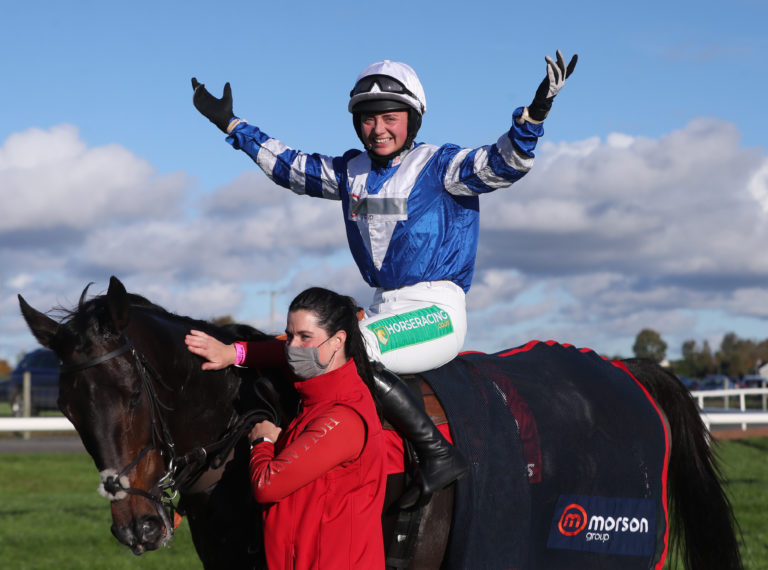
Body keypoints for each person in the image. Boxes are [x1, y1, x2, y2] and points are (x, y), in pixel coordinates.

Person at [190, 50, 577, 507]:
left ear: (412, 119)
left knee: (344, 351)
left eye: (390, 118)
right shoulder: (350, 172)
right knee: (316, 345)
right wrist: (232, 125)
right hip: (380, 306)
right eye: (368, 120)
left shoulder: (442, 166)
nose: (379, 130)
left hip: (435, 311)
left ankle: (437, 454)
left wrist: (535, 114)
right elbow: (290, 167)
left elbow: (503, 164)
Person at [186, 287, 386, 570]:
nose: (292, 346)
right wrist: (234, 352)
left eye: (305, 337)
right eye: (290, 335)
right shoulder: (319, 387)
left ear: (338, 340)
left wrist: (262, 441)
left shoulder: (343, 417)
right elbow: (278, 351)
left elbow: (267, 486)